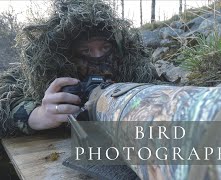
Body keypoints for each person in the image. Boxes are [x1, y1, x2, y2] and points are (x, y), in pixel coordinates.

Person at [0, 0, 157, 137]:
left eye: (105, 48)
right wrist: (36, 115)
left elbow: (163, 94)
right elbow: (6, 91)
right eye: (86, 51)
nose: (97, 57)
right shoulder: (46, 74)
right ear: (67, 57)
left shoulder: (131, 68)